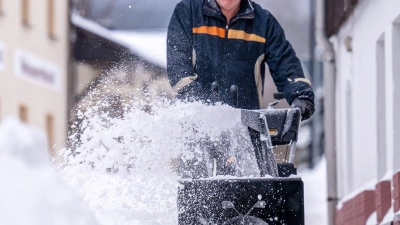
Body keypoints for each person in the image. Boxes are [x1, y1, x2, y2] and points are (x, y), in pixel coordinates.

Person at [167, 0, 315, 176]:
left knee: (253, 193)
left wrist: (301, 95)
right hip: (198, 128)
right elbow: (178, 66)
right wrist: (203, 103)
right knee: (195, 192)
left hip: (247, 131)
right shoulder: (188, 12)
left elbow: (285, 64)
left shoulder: (263, 22)